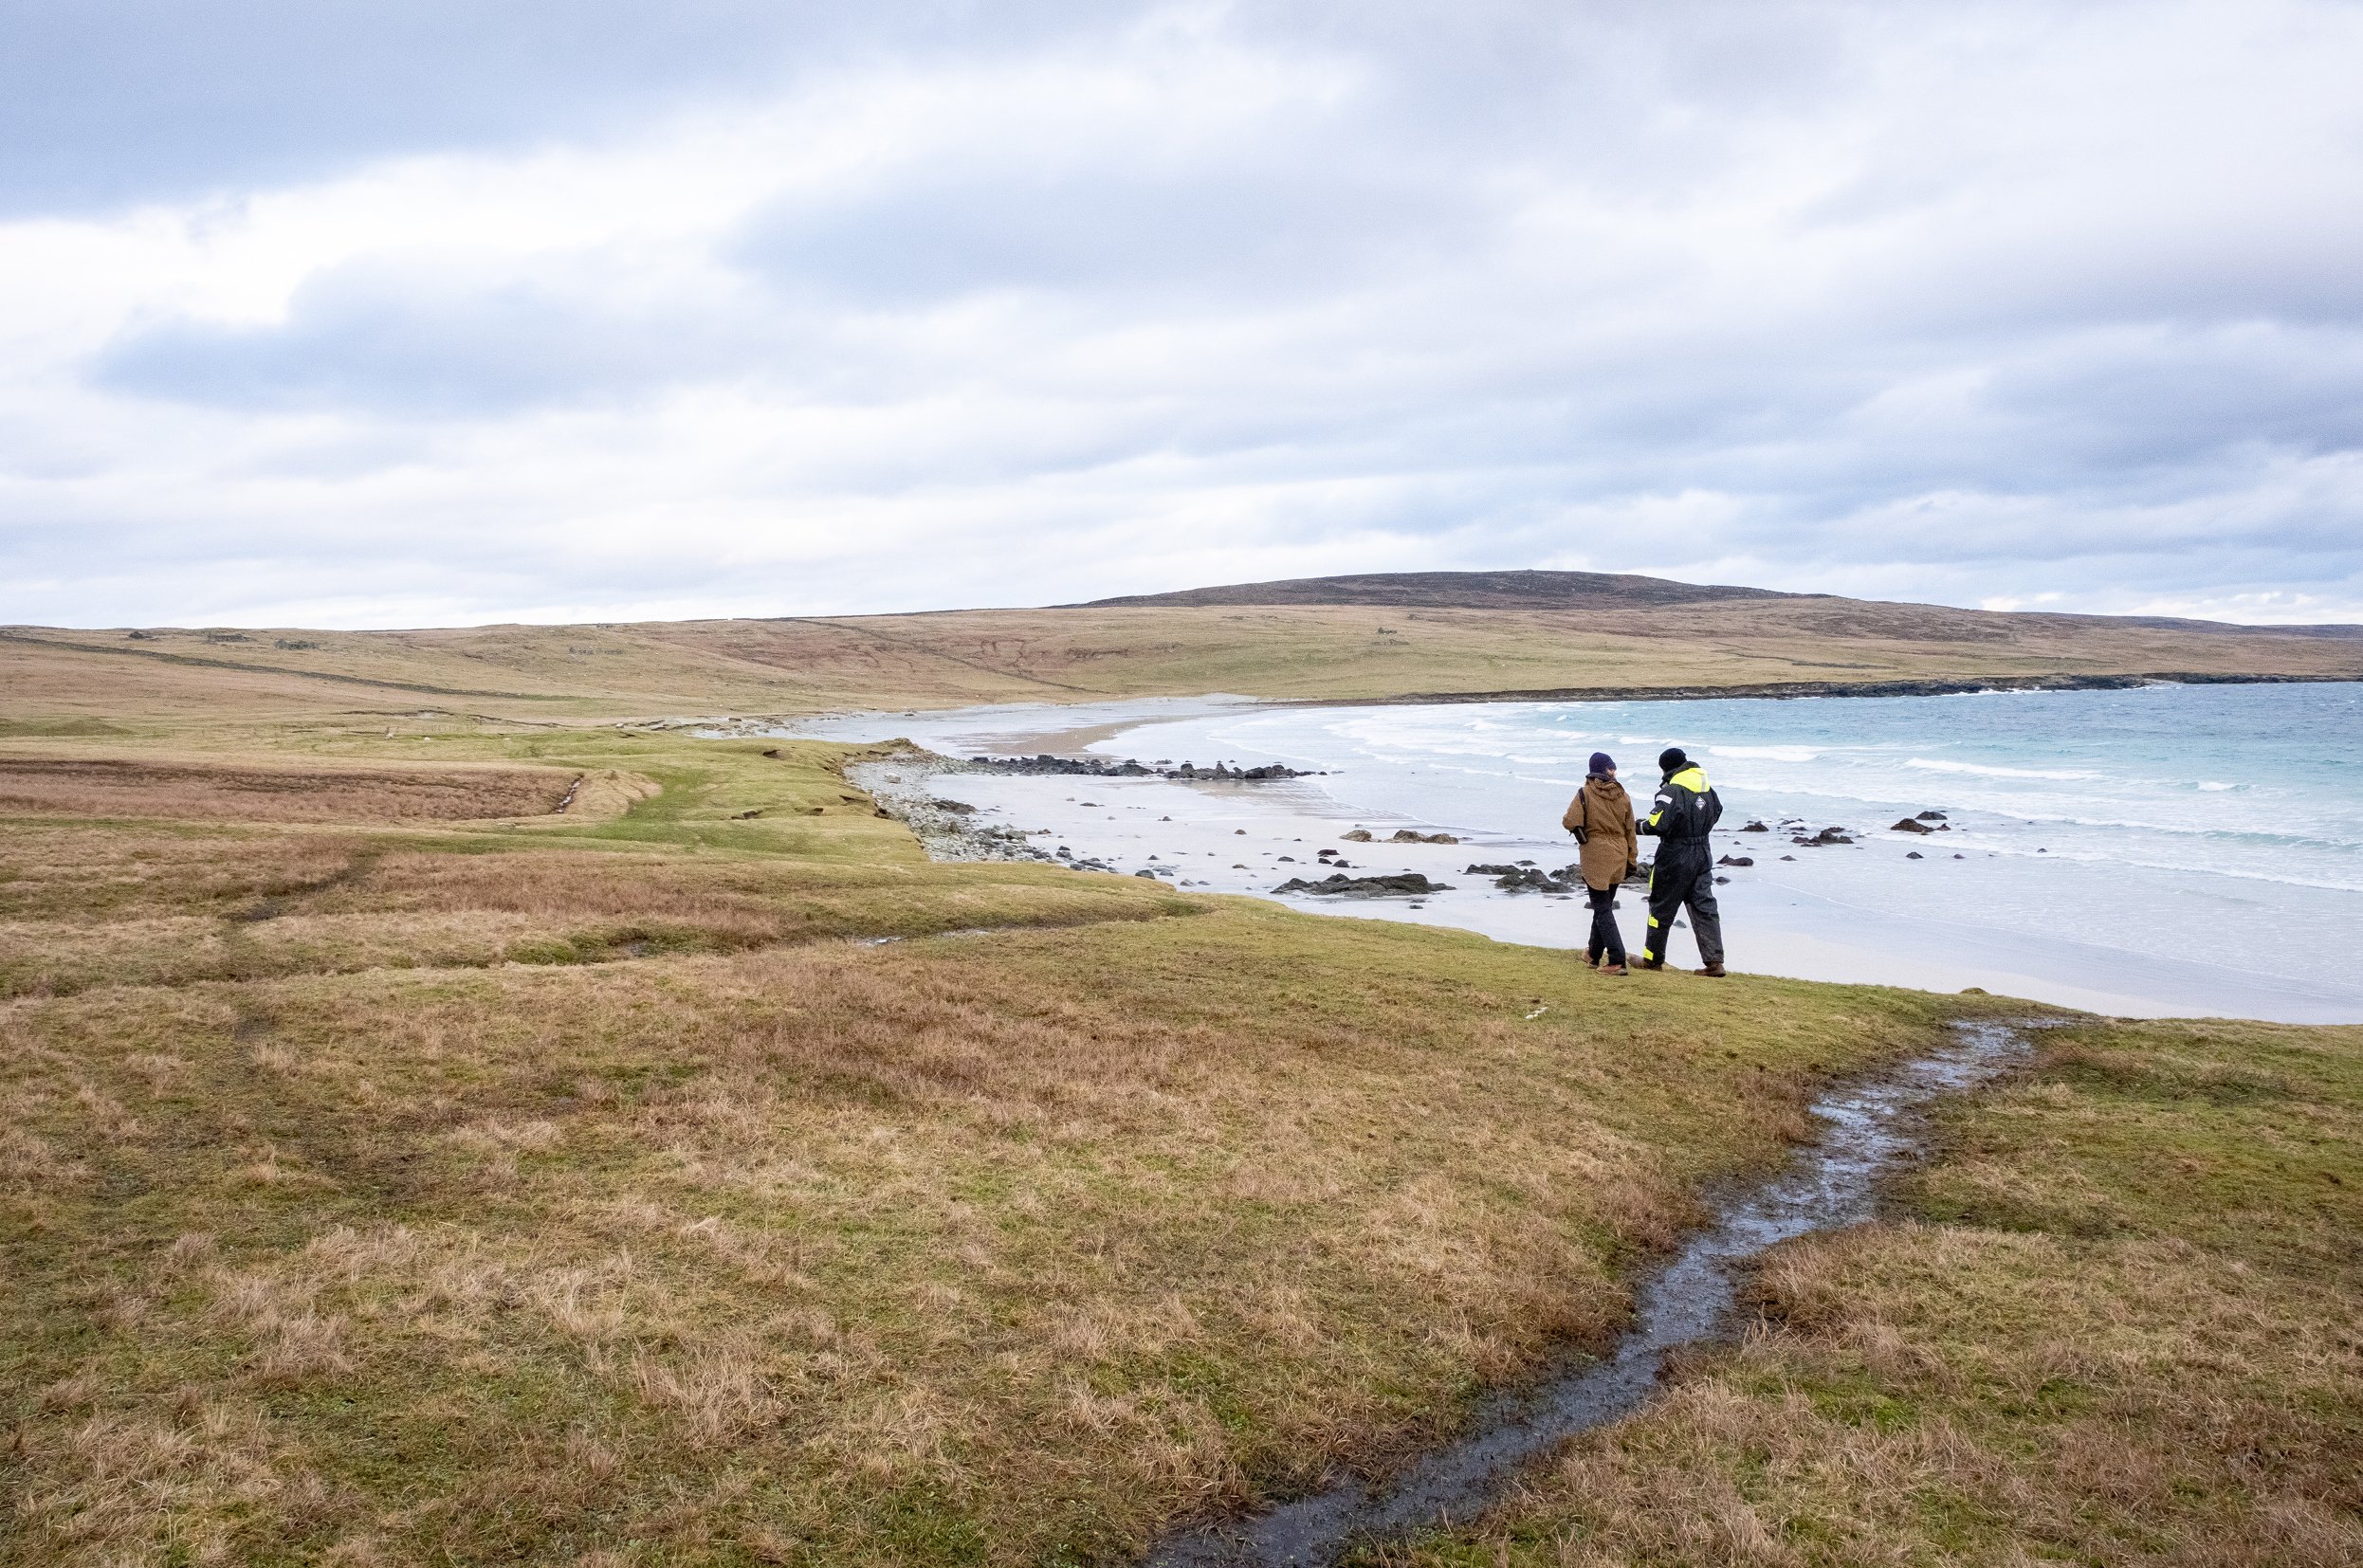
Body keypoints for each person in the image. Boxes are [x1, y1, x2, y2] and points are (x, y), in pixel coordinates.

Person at [1637, 746, 1727, 975]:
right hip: (1703, 852)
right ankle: (1714, 962)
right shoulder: (1707, 786)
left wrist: (1636, 826)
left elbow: (1657, 824)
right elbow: (1717, 811)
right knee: (1704, 907)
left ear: (1666, 768)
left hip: (1675, 854)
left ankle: (1652, 960)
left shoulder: (1673, 790)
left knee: (1661, 906)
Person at [1562, 751, 1638, 974]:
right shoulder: (1623, 796)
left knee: (1602, 908)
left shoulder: (1585, 793)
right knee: (1603, 905)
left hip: (1596, 853)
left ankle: (1617, 960)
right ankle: (1594, 954)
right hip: (1619, 853)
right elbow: (1630, 831)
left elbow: (1570, 821)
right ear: (1606, 770)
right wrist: (1632, 859)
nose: (1614, 771)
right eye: (1612, 767)